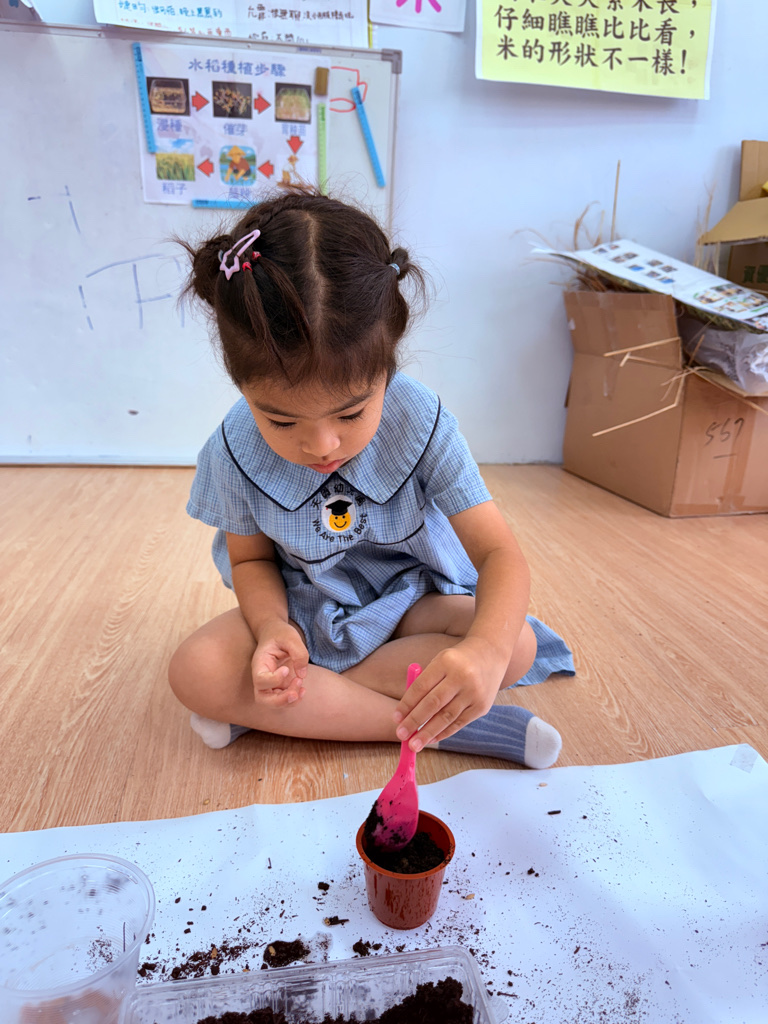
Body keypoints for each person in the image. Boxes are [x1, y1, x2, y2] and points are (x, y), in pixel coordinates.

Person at [169, 188, 574, 769]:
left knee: (517, 646)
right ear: (241, 386)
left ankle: (286, 710)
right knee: (194, 670)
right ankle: (443, 728)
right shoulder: (232, 449)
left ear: (387, 367)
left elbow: (499, 555)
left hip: (413, 608)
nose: (321, 446)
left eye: (351, 413)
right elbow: (252, 561)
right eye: (281, 420)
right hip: (303, 612)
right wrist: (272, 628)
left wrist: (484, 653)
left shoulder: (422, 422)